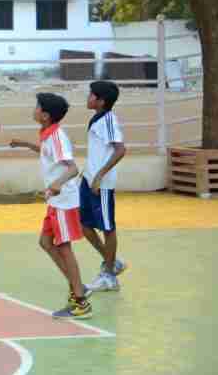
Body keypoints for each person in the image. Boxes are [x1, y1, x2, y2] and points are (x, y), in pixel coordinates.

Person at [10, 93, 93, 319]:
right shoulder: (48, 135)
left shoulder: (56, 137)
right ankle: (78, 287)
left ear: (45, 115)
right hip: (55, 201)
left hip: (64, 202)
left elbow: (72, 168)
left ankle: (80, 301)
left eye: (37, 106)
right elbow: (49, 154)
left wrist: (56, 184)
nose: (34, 109)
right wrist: (26, 144)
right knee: (46, 242)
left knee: (64, 248)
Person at [81, 80, 128, 292]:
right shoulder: (97, 119)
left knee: (107, 227)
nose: (88, 97)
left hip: (102, 185)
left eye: (91, 95)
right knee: (84, 224)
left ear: (101, 101)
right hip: (88, 180)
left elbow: (120, 150)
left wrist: (100, 175)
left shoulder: (109, 120)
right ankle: (112, 261)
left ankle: (109, 276)